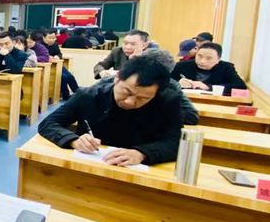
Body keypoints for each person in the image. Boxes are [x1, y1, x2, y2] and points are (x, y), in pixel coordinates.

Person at [38, 55, 183, 165]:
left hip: (140, 172)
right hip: (91, 164)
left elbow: (176, 142)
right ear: (117, 78)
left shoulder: (168, 102)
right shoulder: (89, 96)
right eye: (127, 92)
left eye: (142, 98)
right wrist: (73, 140)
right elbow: (48, 123)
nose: (130, 102)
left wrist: (142, 153)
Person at [171, 42, 247, 95]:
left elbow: (240, 86)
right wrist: (177, 83)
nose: (202, 61)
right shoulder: (182, 65)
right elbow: (167, 81)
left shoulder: (226, 67)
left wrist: (207, 87)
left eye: (209, 58)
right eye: (199, 56)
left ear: (218, 59)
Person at [43, 28, 79, 100]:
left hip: (58, 65)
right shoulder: (41, 46)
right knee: (63, 77)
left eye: (53, 38)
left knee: (70, 76)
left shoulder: (55, 45)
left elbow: (60, 54)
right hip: (48, 67)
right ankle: (66, 96)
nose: (52, 40)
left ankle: (78, 93)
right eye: (49, 38)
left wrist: (57, 56)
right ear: (44, 37)